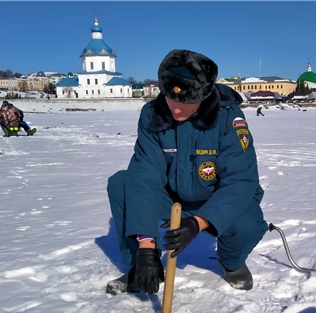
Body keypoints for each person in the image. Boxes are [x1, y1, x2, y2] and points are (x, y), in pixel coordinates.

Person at [106, 49, 268, 295]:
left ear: (203, 96)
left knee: (248, 221)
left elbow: (241, 180)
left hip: (215, 198)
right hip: (171, 197)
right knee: (122, 184)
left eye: (187, 102)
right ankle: (140, 263)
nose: (177, 109)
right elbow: (145, 174)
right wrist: (146, 245)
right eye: (171, 98)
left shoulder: (227, 116)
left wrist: (198, 223)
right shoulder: (152, 114)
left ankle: (231, 262)